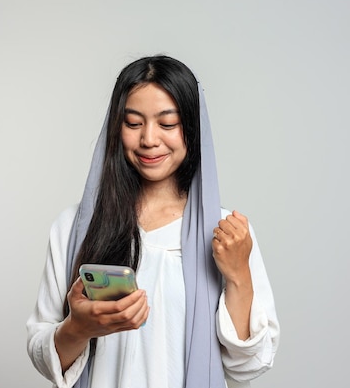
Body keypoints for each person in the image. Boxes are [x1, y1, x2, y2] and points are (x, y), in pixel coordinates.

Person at [26, 55, 280, 388]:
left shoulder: (223, 234)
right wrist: (79, 328)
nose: (148, 139)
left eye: (167, 123)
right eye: (133, 123)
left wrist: (238, 275)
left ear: (191, 128)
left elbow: (248, 366)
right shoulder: (74, 227)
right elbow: (43, 353)